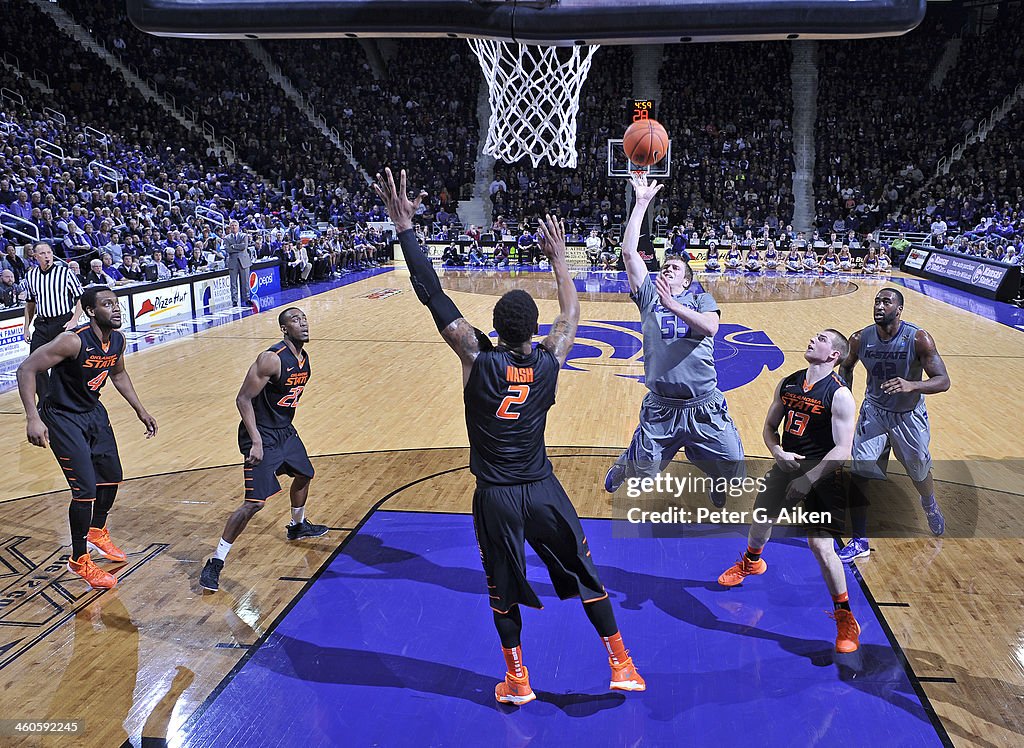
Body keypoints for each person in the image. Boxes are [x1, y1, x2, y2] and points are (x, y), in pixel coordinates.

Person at [374, 167, 644, 704]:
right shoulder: (550, 359)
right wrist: (561, 262)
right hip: (542, 488)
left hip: (496, 496)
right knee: (586, 571)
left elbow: (432, 295)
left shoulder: (476, 356)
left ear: (495, 328)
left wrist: (405, 227)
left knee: (501, 587)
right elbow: (571, 312)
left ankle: (517, 679)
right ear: (533, 327)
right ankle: (621, 663)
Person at [605, 174, 745, 508]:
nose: (666, 270)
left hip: (703, 405)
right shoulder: (649, 297)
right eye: (664, 266)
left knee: (734, 470)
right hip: (662, 406)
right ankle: (628, 462)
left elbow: (711, 328)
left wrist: (673, 306)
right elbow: (628, 253)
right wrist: (640, 204)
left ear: (687, 280)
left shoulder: (701, 300)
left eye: (674, 268)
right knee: (643, 479)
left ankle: (715, 477)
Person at [716, 329, 860, 653]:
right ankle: (752, 562)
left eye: (821, 339)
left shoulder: (839, 395)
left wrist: (808, 481)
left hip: (822, 474)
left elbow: (842, 450)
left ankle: (845, 617)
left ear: (834, 355)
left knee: (821, 545)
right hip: (786, 465)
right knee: (760, 519)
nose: (812, 339)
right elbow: (769, 429)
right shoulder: (788, 383)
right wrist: (777, 452)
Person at [16, 286, 158, 589]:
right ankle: (79, 560)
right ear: (91, 311)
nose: (116, 308)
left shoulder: (117, 340)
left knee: (111, 478)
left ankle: (97, 531)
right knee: (85, 490)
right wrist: (33, 417)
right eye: (107, 304)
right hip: (62, 416)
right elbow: (26, 368)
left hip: (93, 411)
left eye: (117, 303)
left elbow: (118, 374)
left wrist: (140, 410)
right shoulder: (72, 340)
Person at [199, 307, 328, 592]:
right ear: (284, 329)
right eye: (296, 320)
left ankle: (297, 525)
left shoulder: (304, 359)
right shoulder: (271, 359)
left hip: (283, 432)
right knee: (254, 503)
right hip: (259, 435)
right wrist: (256, 440)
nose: (303, 323)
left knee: (305, 473)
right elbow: (243, 399)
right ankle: (215, 562)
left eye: (304, 318)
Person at [837, 288, 951, 562]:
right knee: (860, 472)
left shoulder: (918, 338)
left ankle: (929, 504)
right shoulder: (859, 338)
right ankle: (859, 539)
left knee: (919, 473)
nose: (879, 306)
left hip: (908, 415)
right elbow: (846, 367)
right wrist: (846, 400)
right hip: (874, 412)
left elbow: (943, 380)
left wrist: (911, 384)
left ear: (899, 310)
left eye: (886, 302)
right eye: (876, 301)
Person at [22, 242, 85, 403]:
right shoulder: (31, 276)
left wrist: (74, 320)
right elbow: (30, 303)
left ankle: (72, 398)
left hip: (62, 322)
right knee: (35, 364)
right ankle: (45, 402)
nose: (47, 256)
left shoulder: (65, 273)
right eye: (42, 253)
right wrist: (26, 327)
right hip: (42, 324)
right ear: (35, 256)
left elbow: (81, 298)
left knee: (67, 365)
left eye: (49, 252)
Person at [223, 220, 251, 306]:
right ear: (230, 227)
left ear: (238, 227)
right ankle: (234, 300)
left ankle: (247, 299)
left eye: (235, 225)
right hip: (232, 262)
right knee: (233, 283)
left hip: (244, 262)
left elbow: (244, 247)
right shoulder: (226, 238)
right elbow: (228, 249)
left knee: (245, 282)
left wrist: (234, 246)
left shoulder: (244, 235)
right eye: (232, 226)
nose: (234, 227)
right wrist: (237, 247)